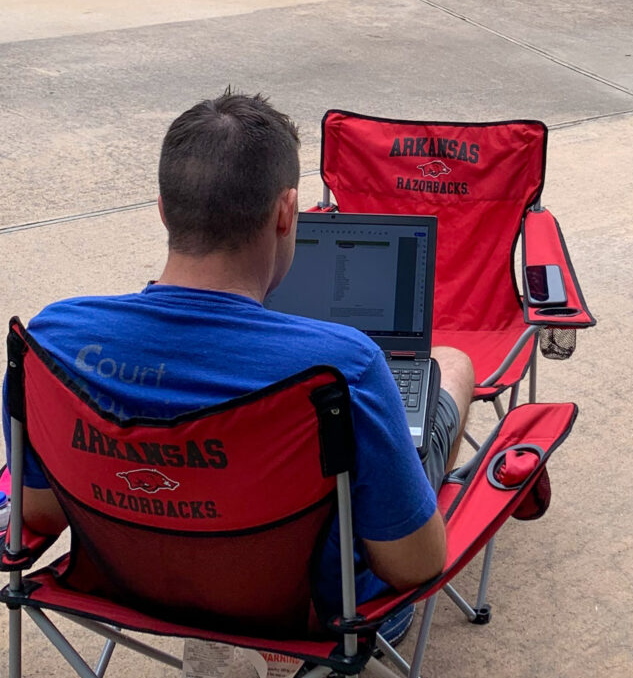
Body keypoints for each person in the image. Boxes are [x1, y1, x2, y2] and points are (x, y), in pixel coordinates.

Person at [2, 91, 474, 643]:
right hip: (313, 620)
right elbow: (412, 567)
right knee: (453, 366)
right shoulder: (345, 365)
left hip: (128, 591)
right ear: (285, 212)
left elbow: (39, 513)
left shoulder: (52, 340)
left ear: (162, 208)